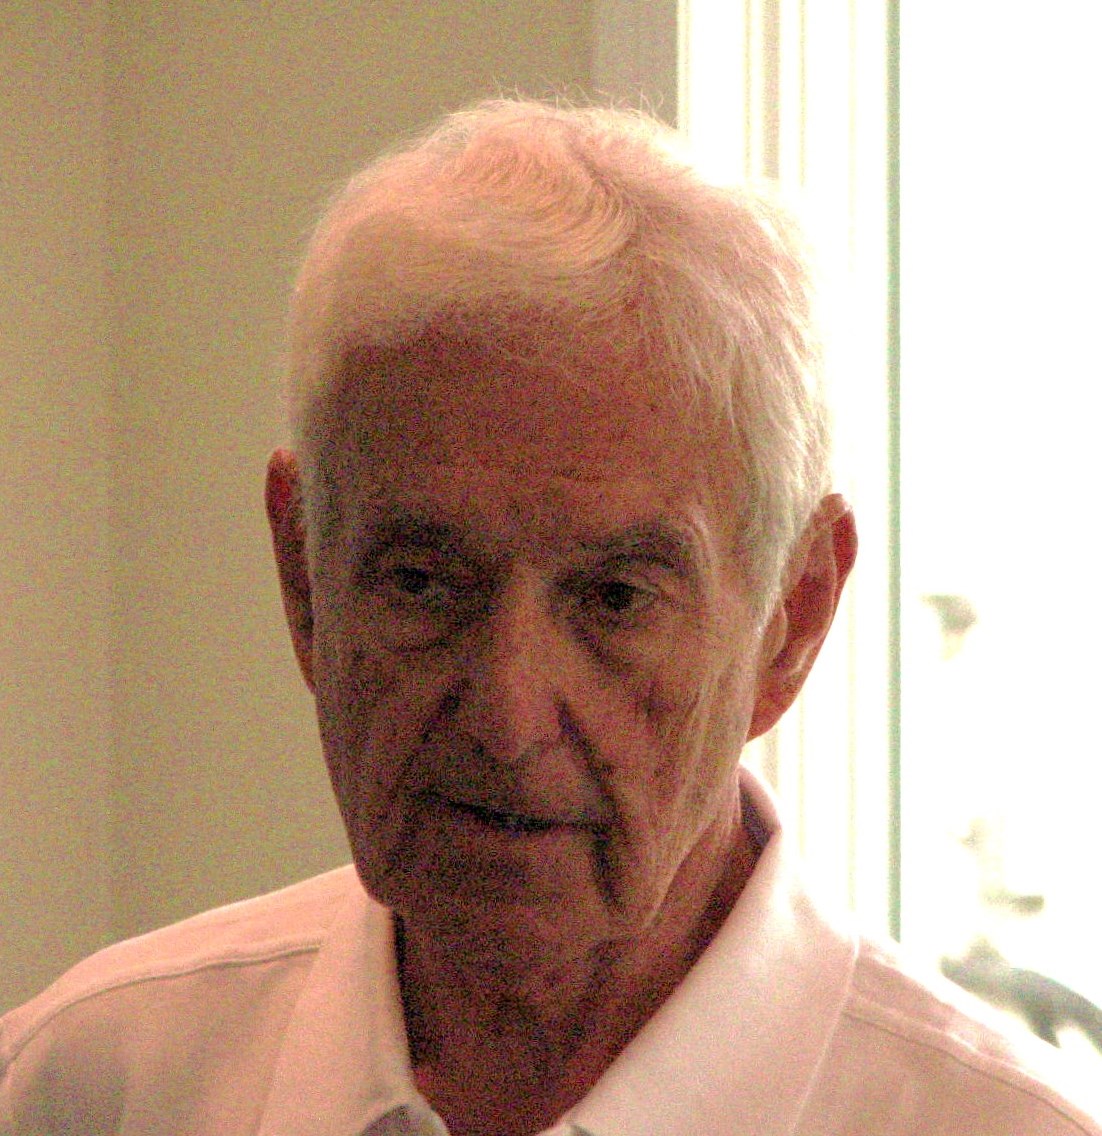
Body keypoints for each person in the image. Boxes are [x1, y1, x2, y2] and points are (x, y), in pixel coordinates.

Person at [1, 99, 1098, 1136]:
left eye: (615, 598)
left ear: (793, 616)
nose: (507, 718)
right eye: (424, 582)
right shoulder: (93, 1086)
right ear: (304, 577)